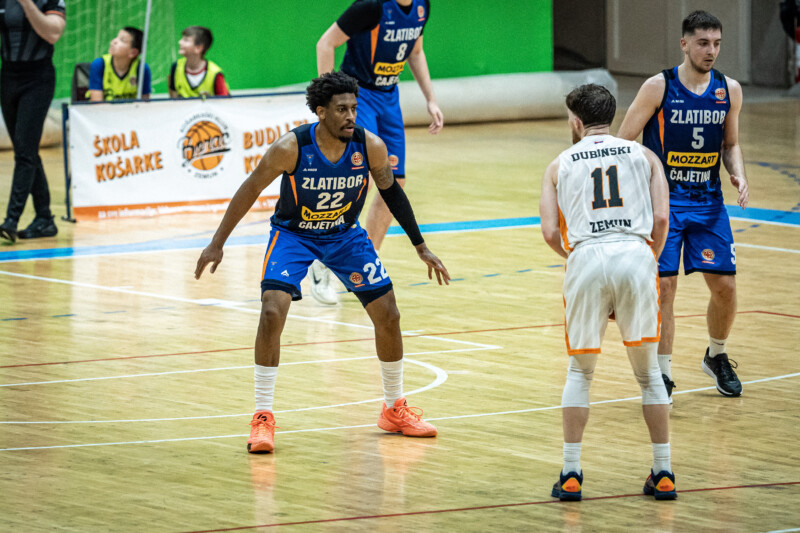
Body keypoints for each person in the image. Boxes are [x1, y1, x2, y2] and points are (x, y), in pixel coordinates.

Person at [194, 71, 449, 454]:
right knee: (271, 311)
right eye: (342, 109)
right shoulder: (290, 147)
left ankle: (394, 408)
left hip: (345, 236)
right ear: (321, 112)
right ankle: (262, 417)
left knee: (389, 314)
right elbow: (251, 188)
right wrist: (217, 243)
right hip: (293, 235)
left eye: (354, 108)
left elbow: (392, 193)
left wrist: (421, 246)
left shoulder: (371, 146)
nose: (351, 116)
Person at [540, 84, 674, 501]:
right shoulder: (644, 156)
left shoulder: (558, 164)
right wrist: (646, 259)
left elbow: (549, 232)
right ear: (610, 118)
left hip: (586, 257)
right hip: (636, 254)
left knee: (580, 372)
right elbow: (662, 218)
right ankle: (663, 472)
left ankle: (571, 473)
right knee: (649, 375)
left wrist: (580, 259)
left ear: (577, 121)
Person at [618, 10, 749, 400]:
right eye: (703, 43)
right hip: (665, 202)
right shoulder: (658, 87)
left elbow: (730, 144)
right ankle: (662, 373)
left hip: (708, 202)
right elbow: (624, 142)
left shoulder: (729, 90)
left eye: (717, 44)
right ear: (685, 44)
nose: (711, 51)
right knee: (665, 287)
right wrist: (644, 182)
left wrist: (738, 174)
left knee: (725, 287)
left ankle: (716, 355)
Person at [310, 0, 444, 305]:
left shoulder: (422, 7)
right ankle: (322, 263)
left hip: (389, 98)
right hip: (358, 96)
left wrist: (431, 99)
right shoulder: (371, 7)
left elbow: (416, 52)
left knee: (394, 183)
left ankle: (362, 264)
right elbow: (325, 44)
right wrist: (329, 100)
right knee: (359, 177)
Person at [0, 0, 66, 243]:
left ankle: (11, 220)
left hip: (38, 78)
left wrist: (27, 3)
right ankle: (45, 218)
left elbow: (53, 33)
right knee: (24, 149)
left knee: (25, 153)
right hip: (8, 76)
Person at [88, 26, 151, 102]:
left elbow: (144, 103)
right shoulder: (99, 65)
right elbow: (97, 104)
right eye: (116, 37)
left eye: (122, 40)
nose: (114, 41)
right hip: (104, 110)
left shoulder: (142, 69)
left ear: (133, 52)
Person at [168, 26, 229, 98]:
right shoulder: (176, 66)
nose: (180, 42)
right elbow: (173, 99)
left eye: (186, 40)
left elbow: (225, 102)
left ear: (199, 48)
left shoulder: (215, 74)